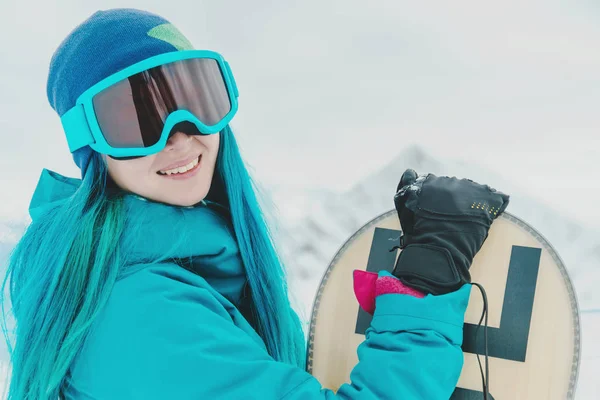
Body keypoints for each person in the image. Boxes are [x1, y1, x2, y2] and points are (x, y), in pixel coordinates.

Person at [0, 8, 509, 400]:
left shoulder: (181, 270)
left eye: (194, 99)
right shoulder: (134, 309)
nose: (181, 137)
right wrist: (424, 285)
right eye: (135, 119)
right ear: (92, 146)